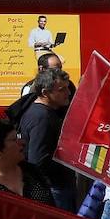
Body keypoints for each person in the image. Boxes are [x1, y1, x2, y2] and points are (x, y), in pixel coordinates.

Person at [16, 66, 76, 211]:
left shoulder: (46, 112)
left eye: (67, 88)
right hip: (54, 190)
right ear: (45, 93)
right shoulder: (41, 117)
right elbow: (37, 160)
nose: (68, 93)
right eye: (61, 90)